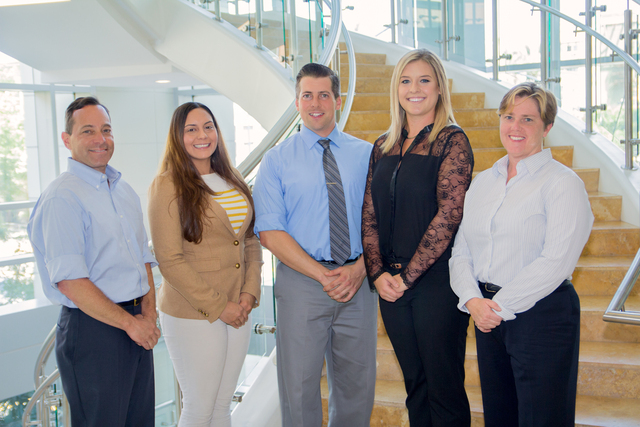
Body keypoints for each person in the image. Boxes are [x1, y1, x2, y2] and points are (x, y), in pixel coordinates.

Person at [449, 82, 594, 427]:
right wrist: (473, 301)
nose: (516, 127)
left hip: (541, 315)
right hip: (488, 314)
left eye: (528, 119)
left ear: (547, 128)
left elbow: (556, 260)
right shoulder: (484, 181)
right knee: (500, 417)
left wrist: (496, 308)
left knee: (543, 419)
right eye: (509, 116)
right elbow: (460, 251)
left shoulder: (562, 183)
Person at [252, 62, 377, 427]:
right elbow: (270, 231)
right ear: (297, 102)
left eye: (324, 94)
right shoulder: (275, 160)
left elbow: (382, 220)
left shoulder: (367, 154)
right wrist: (323, 275)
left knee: (357, 387)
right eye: (307, 95)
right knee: (299, 388)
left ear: (337, 100)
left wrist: (358, 269)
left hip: (358, 281)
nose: (316, 102)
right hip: (303, 282)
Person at [27, 96, 161, 427]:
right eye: (88, 131)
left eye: (106, 129)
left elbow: (142, 259)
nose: (101, 139)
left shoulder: (122, 189)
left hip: (135, 322)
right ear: (66, 139)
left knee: (140, 421)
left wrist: (148, 314)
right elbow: (71, 281)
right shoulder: (63, 197)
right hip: (94, 329)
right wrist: (132, 323)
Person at [361, 48, 474, 426]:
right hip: (390, 286)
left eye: (424, 80)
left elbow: (449, 215)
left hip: (436, 284)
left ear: (440, 87)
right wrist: (378, 274)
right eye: (406, 81)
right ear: (396, 89)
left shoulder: (451, 141)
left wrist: (407, 277)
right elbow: (370, 213)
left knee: (443, 388)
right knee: (416, 387)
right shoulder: (383, 145)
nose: (415, 89)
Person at [148, 102, 262, 427]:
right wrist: (219, 306)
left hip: (237, 308)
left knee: (222, 406)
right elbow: (169, 260)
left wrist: (248, 295)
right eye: (192, 129)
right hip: (193, 312)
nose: (203, 135)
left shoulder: (231, 177)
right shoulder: (167, 185)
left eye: (208, 126)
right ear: (178, 136)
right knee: (199, 408)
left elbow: (250, 240)